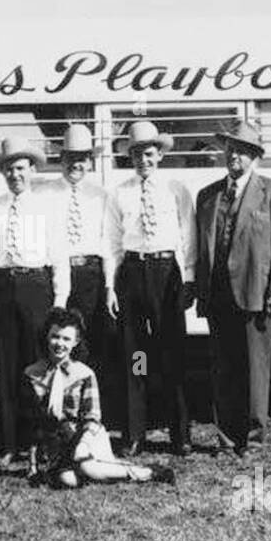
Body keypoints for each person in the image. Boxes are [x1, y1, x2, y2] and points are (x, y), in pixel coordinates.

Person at [195, 119, 271, 459]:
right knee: (223, 369)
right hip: (218, 295)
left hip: (257, 295)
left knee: (255, 370)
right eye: (230, 149)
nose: (234, 156)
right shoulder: (207, 196)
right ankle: (226, 439)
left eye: (242, 151)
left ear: (254, 157)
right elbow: (200, 247)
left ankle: (253, 440)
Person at [0, 137, 70, 466]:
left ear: (32, 170)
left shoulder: (46, 207)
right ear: (3, 173)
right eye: (9, 169)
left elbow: (59, 258)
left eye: (21, 168)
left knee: (37, 368)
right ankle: (9, 444)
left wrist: (60, 301)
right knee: (6, 369)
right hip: (0, 289)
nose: (15, 174)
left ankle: (37, 446)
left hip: (35, 288)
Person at [105, 120, 198, 456]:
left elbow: (188, 235)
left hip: (165, 273)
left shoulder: (175, 189)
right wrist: (110, 284)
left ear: (159, 154)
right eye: (136, 154)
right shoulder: (120, 192)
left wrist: (188, 279)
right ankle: (135, 432)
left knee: (171, 351)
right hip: (132, 272)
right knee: (136, 355)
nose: (142, 160)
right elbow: (112, 241)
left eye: (148, 153)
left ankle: (180, 433)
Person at [23, 308, 171, 488]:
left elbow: (93, 418)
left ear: (76, 342)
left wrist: (83, 445)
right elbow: (32, 424)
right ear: (47, 336)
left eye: (66, 339)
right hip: (58, 443)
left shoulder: (85, 374)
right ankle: (90, 470)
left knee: (88, 468)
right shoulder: (32, 374)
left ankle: (149, 472)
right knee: (68, 481)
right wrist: (32, 465)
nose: (59, 343)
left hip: (87, 436)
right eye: (55, 336)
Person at [45, 124, 119, 420]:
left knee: (98, 342)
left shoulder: (101, 195)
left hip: (93, 275)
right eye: (71, 156)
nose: (77, 163)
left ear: (90, 161)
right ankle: (61, 412)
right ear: (61, 158)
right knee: (62, 341)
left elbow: (110, 243)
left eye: (83, 157)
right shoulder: (47, 194)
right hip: (60, 277)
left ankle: (99, 413)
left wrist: (110, 285)